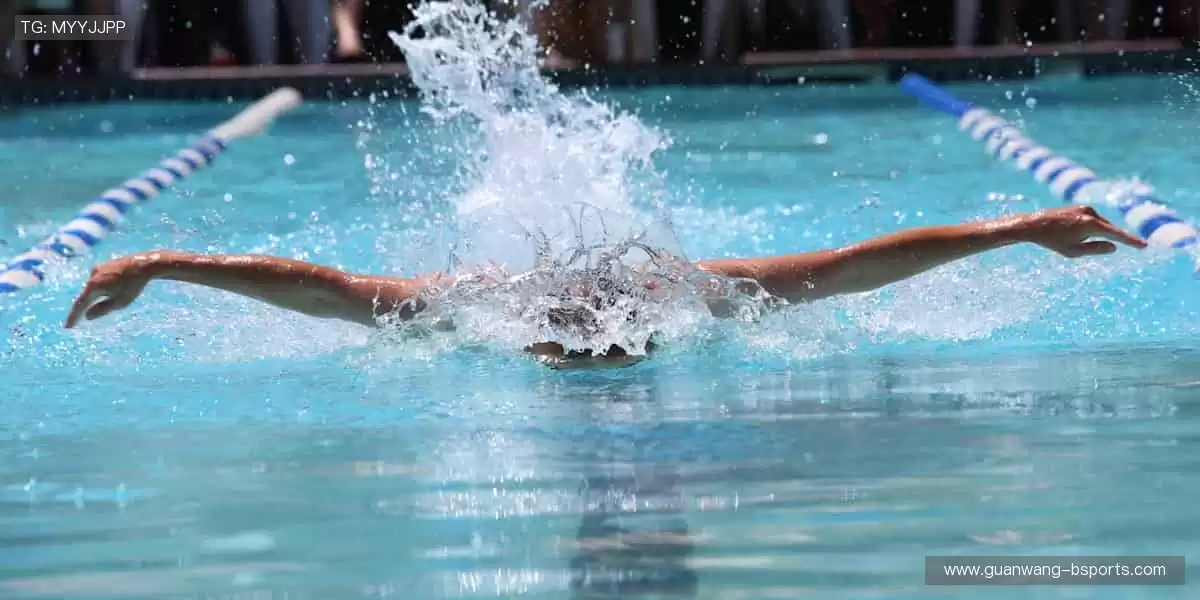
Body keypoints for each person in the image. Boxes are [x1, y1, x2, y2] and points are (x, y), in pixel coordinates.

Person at [64, 205, 1146, 369]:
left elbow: (859, 267)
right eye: (577, 332)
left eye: (608, 332)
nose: (598, 348)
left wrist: (1020, 230)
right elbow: (325, 287)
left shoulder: (696, 298)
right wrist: (156, 260)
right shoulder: (475, 311)